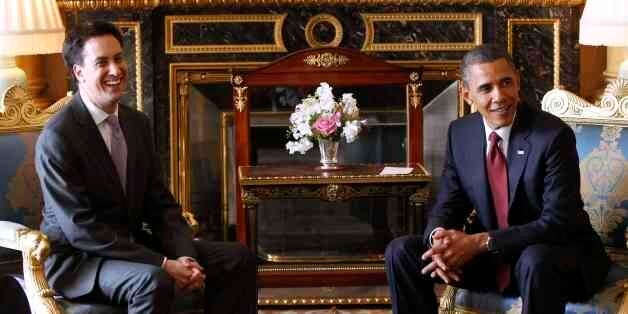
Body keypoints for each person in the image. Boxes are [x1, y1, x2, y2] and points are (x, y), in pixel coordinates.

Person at [35, 21, 257, 314]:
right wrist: (165, 264)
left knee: (238, 257)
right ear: (79, 72)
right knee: (153, 280)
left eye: (118, 58)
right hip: (80, 260)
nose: (115, 69)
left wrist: (185, 258)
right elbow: (81, 231)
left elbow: (161, 206)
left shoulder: (136, 123)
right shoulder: (58, 137)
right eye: (102, 62)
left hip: (132, 246)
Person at [385, 44, 610, 314]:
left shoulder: (552, 136)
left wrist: (479, 242)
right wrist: (439, 239)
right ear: (467, 94)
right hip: (492, 262)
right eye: (486, 88)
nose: (499, 96)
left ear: (518, 83)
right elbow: (448, 204)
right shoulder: (460, 133)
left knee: (534, 259)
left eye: (506, 83)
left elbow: (557, 223)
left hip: (556, 261)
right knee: (402, 252)